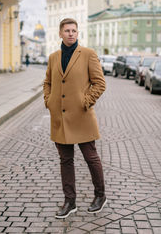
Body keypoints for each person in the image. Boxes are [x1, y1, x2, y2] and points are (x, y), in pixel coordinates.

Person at [43, 18, 106, 219]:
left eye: (74, 31)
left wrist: (85, 101)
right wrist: (49, 100)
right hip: (59, 118)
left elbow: (100, 83)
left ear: (77, 33)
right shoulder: (54, 57)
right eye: (67, 30)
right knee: (65, 160)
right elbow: (48, 82)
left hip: (82, 116)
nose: (71, 33)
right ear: (60, 34)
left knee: (91, 157)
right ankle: (70, 202)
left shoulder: (88, 54)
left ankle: (100, 196)